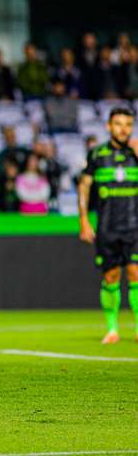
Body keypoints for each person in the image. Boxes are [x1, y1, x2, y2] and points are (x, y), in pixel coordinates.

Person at [77, 107, 138, 344]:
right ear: (108, 126)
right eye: (119, 124)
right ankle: (112, 329)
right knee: (111, 277)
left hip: (134, 227)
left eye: (128, 125)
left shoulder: (135, 153)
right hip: (107, 228)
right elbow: (84, 186)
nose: (124, 129)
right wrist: (83, 220)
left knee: (135, 273)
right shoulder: (97, 155)